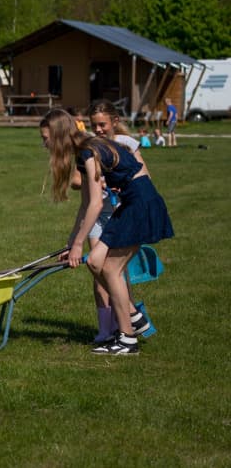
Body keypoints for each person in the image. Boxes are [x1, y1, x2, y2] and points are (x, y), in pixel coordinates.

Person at [41, 108, 173, 355]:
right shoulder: (85, 151)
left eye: (45, 138)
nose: (44, 144)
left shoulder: (88, 151)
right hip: (133, 203)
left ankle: (128, 338)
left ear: (58, 136)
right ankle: (133, 319)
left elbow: (96, 204)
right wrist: (72, 241)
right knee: (96, 262)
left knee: (110, 268)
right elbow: (85, 204)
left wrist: (79, 244)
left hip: (140, 203)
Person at [84, 100, 153, 343]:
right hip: (98, 215)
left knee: (114, 271)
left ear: (114, 121)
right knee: (99, 270)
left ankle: (128, 325)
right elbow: (78, 181)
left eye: (102, 124)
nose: (98, 129)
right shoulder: (91, 147)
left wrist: (123, 187)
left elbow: (143, 177)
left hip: (122, 213)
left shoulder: (126, 144)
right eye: (94, 125)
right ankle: (109, 329)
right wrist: (97, 181)